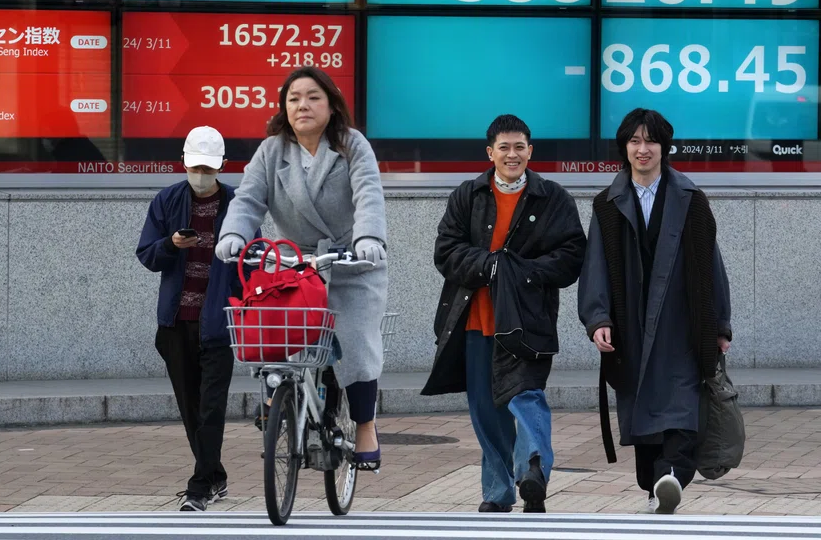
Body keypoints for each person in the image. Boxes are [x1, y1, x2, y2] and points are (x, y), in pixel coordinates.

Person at [215, 66, 388, 470]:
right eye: (294, 99)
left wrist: (369, 239)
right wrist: (234, 235)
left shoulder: (351, 145)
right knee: (276, 327)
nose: (302, 105)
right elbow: (247, 199)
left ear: (330, 104)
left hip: (349, 261)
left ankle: (365, 425)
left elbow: (369, 195)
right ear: (284, 108)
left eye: (312, 97)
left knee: (358, 343)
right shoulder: (272, 150)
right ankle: (281, 396)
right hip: (294, 260)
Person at [421, 114, 586, 514]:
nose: (512, 155)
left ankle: (532, 469)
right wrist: (489, 266)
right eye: (504, 147)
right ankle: (498, 491)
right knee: (485, 408)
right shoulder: (468, 195)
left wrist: (523, 273)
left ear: (531, 151)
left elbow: (571, 256)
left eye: (519, 147)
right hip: (476, 321)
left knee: (525, 395)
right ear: (490, 152)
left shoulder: (554, 198)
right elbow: (446, 249)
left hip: (528, 321)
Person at [577, 108, 732, 515]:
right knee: (642, 410)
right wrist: (598, 319)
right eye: (634, 141)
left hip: (683, 323)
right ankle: (656, 484)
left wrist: (720, 324)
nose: (642, 149)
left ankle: (673, 475)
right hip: (630, 326)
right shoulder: (607, 204)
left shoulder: (691, 199)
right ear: (624, 148)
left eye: (650, 141)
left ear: (665, 147)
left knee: (682, 406)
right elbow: (593, 265)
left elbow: (712, 264)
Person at [136, 126, 259, 512]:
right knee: (191, 408)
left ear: (222, 166)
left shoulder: (239, 205)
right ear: (185, 165)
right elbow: (146, 256)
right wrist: (170, 245)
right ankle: (215, 474)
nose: (201, 175)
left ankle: (198, 487)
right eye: (195, 167)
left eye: (208, 168)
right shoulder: (168, 200)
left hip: (219, 324)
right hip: (176, 322)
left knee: (211, 408)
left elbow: (253, 260)